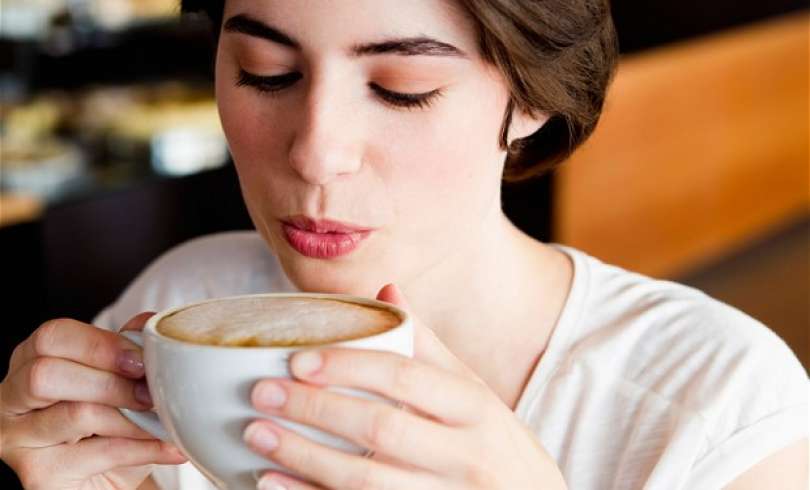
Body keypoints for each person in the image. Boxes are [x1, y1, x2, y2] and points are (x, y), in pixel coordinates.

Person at [2, 0, 807, 489]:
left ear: (533, 98)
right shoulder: (176, 306)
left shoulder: (718, 408)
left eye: (401, 89)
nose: (317, 153)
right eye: (266, 72)